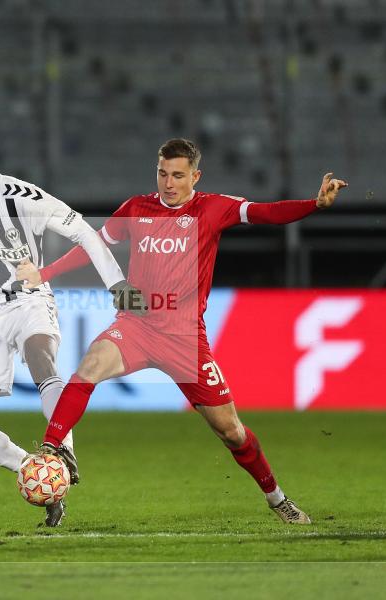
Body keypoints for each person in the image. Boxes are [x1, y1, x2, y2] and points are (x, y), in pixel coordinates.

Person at [19, 138, 347, 524]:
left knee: (232, 433)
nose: (168, 183)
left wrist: (315, 205)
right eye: (162, 173)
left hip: (185, 340)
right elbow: (91, 246)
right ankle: (51, 448)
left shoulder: (213, 208)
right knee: (88, 367)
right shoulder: (136, 209)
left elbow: (267, 213)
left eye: (177, 175)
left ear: (195, 176)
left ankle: (277, 499)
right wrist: (45, 274)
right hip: (137, 327)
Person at [0, 138, 142, 527]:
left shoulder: (24, 198)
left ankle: (63, 451)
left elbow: (86, 234)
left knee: (40, 358)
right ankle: (38, 474)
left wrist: (117, 285)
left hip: (30, 301)